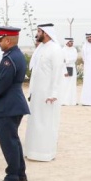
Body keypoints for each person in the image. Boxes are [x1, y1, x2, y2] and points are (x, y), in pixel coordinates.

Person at [0, 26, 30, 181]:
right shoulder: (15, 55)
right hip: (13, 103)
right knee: (13, 139)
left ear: (8, 40)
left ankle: (12, 177)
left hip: (8, 104)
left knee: (8, 142)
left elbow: (2, 82)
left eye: (0, 40)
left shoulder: (9, 58)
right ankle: (20, 173)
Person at [24, 23, 64, 162]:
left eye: (39, 31)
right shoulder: (41, 47)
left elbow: (58, 73)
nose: (37, 34)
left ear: (46, 33)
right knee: (35, 122)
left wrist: (53, 93)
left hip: (48, 95)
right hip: (37, 93)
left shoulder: (55, 49)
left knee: (46, 123)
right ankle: (33, 151)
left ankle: (46, 153)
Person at [61, 37, 78, 106]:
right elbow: (62, 61)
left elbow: (74, 59)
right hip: (64, 69)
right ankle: (64, 101)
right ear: (66, 42)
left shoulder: (74, 50)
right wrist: (65, 70)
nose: (71, 43)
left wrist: (67, 60)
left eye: (72, 42)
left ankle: (72, 101)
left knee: (72, 85)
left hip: (72, 68)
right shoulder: (63, 50)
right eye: (70, 42)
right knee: (65, 85)